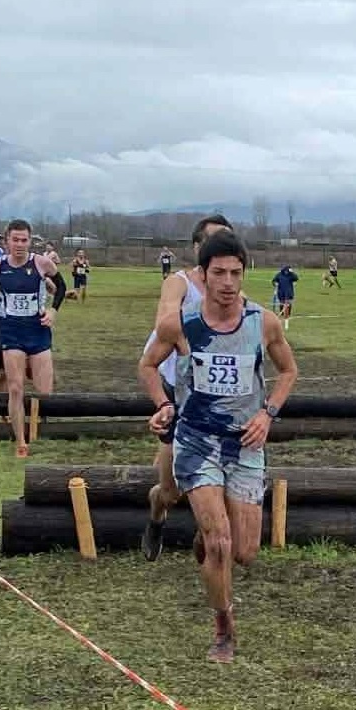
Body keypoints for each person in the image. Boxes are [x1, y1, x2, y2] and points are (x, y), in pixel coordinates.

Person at [138, 229, 298, 661]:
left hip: (244, 444)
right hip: (196, 441)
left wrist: (267, 414)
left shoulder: (263, 323)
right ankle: (224, 626)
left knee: (244, 552)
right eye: (219, 273)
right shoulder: (180, 324)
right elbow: (148, 365)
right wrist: (163, 405)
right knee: (220, 544)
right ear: (203, 275)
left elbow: (288, 371)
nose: (228, 282)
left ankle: (209, 539)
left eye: (235, 273)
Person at [137, 214, 234, 561]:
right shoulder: (179, 283)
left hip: (216, 396)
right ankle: (156, 513)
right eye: (212, 241)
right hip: (177, 391)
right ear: (197, 248)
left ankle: (208, 535)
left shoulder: (233, 290)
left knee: (227, 477)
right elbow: (165, 319)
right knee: (171, 491)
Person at [0, 219, 66, 457]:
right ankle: (21, 441)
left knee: (44, 391)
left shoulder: (41, 263)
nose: (19, 244)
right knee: (15, 387)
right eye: (15, 240)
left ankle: (40, 429)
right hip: (11, 331)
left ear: (30, 241)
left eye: (24, 240)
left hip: (38, 331)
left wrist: (53, 311)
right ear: (7, 240)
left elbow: (62, 287)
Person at [271, 264, 298, 328]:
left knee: (288, 304)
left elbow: (296, 278)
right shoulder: (279, 274)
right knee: (282, 303)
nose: (286, 272)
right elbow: (274, 280)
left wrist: (292, 272)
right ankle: (282, 314)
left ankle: (288, 315)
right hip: (281, 292)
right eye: (286, 271)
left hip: (289, 292)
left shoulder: (291, 275)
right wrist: (275, 284)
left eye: (288, 271)